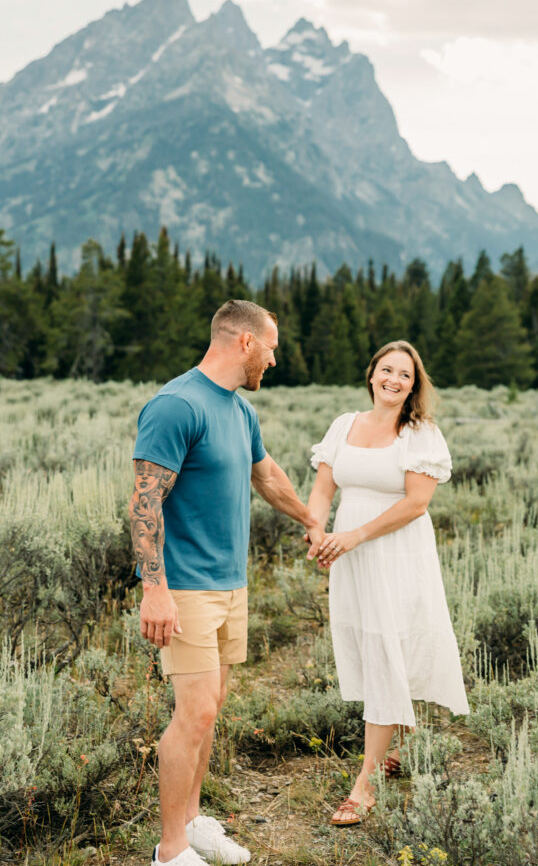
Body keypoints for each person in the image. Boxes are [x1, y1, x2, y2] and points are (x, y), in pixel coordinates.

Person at [130, 299, 322, 866]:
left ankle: (192, 824)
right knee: (194, 714)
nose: (274, 360)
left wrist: (311, 519)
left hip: (230, 584)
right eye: (271, 348)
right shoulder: (176, 405)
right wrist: (154, 589)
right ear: (244, 343)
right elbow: (145, 502)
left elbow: (266, 475)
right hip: (185, 587)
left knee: (212, 706)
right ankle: (170, 851)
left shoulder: (239, 410)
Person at [307, 339, 469, 826]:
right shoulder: (344, 424)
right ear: (372, 373)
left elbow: (416, 503)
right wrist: (317, 530)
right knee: (372, 642)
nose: (394, 380)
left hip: (395, 551)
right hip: (350, 555)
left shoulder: (420, 432)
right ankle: (400, 744)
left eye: (405, 374)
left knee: (384, 650)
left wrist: (353, 535)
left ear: (414, 385)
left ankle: (366, 784)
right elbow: (321, 490)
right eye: (387, 370)